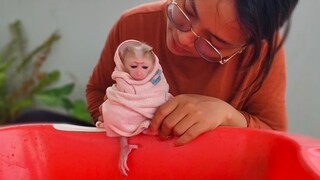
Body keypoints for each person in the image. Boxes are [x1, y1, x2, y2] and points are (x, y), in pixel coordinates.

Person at [86, 0, 299, 146]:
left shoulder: (260, 56)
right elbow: (96, 91)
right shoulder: (134, 24)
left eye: (214, 43)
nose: (183, 38)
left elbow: (274, 137)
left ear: (245, 47)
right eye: (187, 11)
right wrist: (119, 119)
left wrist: (228, 115)